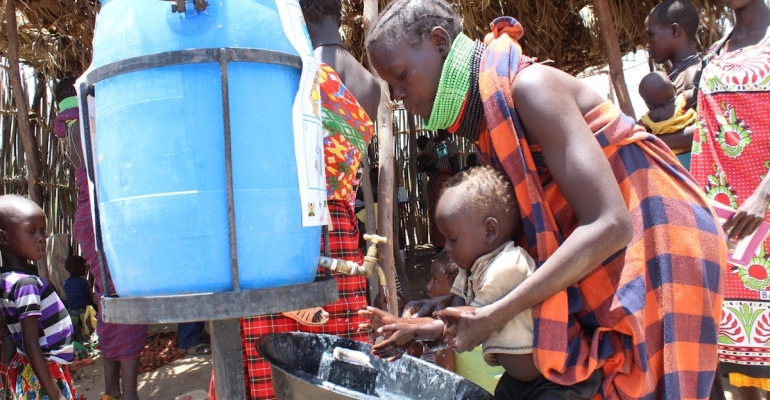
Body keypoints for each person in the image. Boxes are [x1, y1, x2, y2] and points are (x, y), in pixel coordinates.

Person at [365, 1, 725, 398]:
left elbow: (611, 224)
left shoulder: (531, 89)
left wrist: (492, 315)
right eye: (390, 86)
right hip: (626, 245)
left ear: (438, 42)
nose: (398, 96)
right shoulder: (491, 124)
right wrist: (451, 307)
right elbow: (526, 243)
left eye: (400, 76)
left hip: (663, 245)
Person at [209, 1, 381, 398]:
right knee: (340, 351)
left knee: (273, 342)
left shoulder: (295, 71)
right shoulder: (369, 84)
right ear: (339, 16)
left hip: (289, 232)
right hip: (341, 231)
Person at [366, 167, 602, 398]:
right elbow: (451, 312)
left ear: (490, 230)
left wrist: (410, 329)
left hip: (558, 381)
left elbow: (463, 326)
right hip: (519, 382)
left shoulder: (508, 266)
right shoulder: (468, 268)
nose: (446, 247)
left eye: (453, 238)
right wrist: (406, 322)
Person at [689, 1, 770, 399]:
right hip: (726, 228)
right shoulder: (718, 49)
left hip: (763, 214)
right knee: (737, 358)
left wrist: (764, 193)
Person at [54, 78, 148, 400]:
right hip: (101, 219)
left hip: (91, 218)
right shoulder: (81, 122)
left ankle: (111, 392)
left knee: (109, 298)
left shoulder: (66, 127)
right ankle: (129, 393)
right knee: (126, 299)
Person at [0, 195, 77, 399]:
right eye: (31, 231)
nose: (42, 237)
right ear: (4, 238)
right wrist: (54, 393)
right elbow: (31, 343)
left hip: (29, 369)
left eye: (43, 230)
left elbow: (10, 336)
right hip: (44, 372)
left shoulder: (7, 279)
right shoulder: (26, 285)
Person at [644, 0, 702, 168]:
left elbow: (703, 130)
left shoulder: (694, 73)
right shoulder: (670, 78)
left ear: (674, 30)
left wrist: (652, 142)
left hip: (693, 172)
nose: (648, 45)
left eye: (651, 34)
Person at [638, 71, 697, 156]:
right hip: (696, 149)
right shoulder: (684, 99)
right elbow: (698, 93)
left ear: (649, 105)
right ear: (674, 87)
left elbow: (638, 129)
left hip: (675, 158)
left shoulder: (650, 118)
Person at [421, 130, 461, 252]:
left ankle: (439, 247)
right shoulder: (451, 145)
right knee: (450, 214)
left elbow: (421, 167)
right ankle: (451, 244)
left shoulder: (430, 145)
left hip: (433, 183)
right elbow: (455, 168)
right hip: (446, 183)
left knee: (435, 214)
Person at [63, 255, 94, 343]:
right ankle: (88, 339)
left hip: (72, 310)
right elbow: (89, 295)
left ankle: (79, 339)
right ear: (78, 269)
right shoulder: (83, 282)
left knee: (77, 328)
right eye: (84, 267)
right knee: (88, 326)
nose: (85, 269)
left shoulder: (66, 283)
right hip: (84, 309)